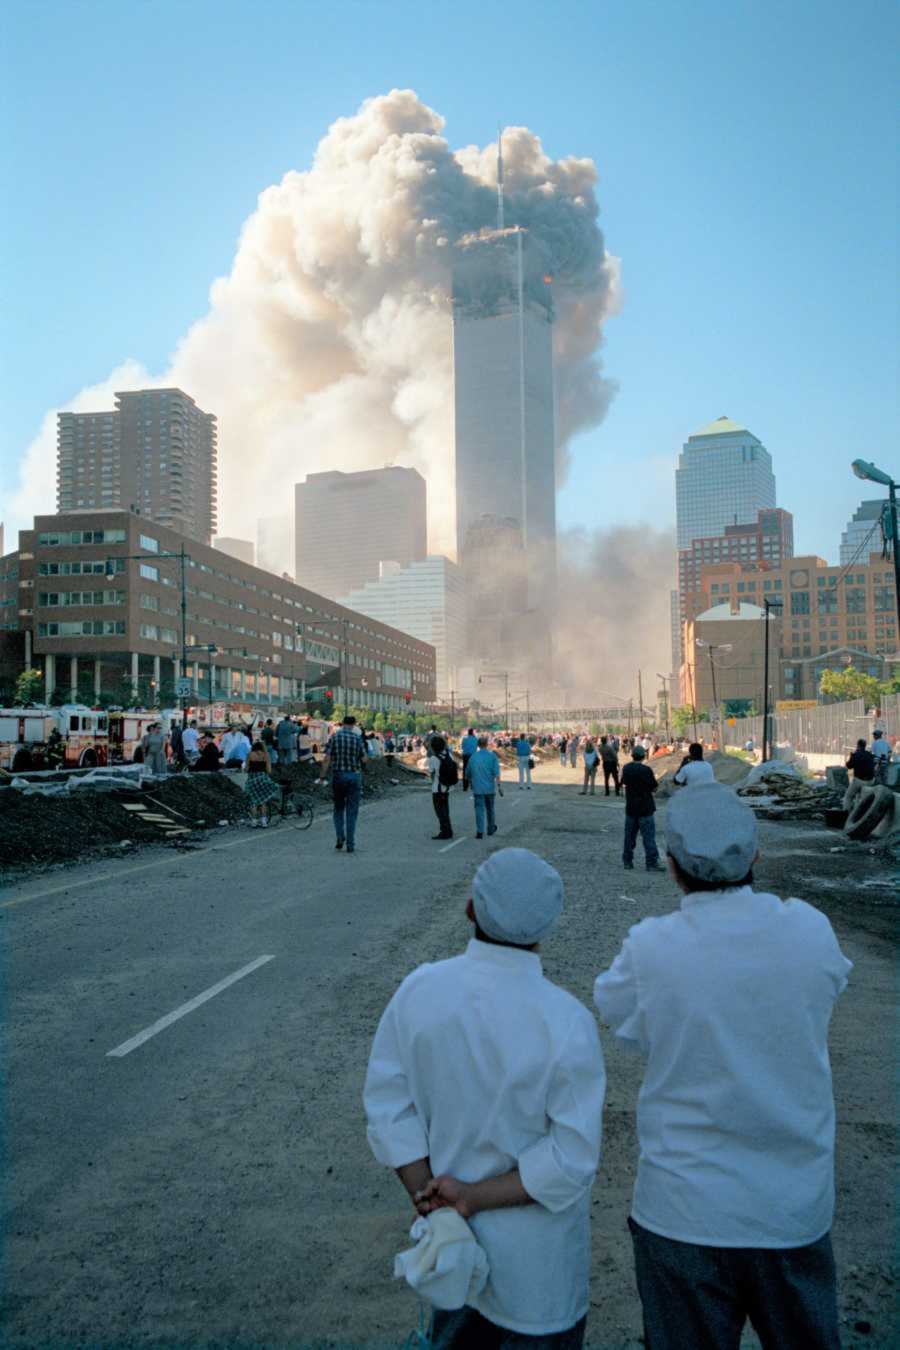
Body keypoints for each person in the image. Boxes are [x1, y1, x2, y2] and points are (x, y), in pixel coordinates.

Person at [594, 783, 851, 1350]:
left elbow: (619, 1016)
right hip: (792, 1211)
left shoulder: (652, 947)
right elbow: (829, 988)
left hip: (682, 1211)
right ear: (757, 855)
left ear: (671, 866)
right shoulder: (810, 930)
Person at [364, 848, 606, 1349]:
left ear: (471, 908)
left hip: (453, 1254)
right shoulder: (565, 1020)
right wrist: (470, 1198)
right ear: (547, 926)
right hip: (539, 1276)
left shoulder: (420, 990)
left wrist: (432, 1197)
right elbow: (571, 1159)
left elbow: (389, 1108)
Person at [321, 714, 366, 853]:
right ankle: (351, 844)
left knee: (338, 808)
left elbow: (327, 758)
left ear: (342, 724)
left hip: (338, 776)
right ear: (353, 725)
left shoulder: (334, 737)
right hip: (353, 777)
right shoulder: (357, 739)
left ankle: (340, 837)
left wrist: (322, 775)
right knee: (352, 812)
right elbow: (364, 759)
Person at [621, 744, 661, 871]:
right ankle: (651, 863)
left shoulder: (626, 768)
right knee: (648, 837)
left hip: (631, 808)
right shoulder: (646, 770)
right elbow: (654, 787)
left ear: (632, 755)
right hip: (645, 808)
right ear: (643, 756)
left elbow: (623, 782)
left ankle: (627, 861)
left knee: (629, 837)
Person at [467, 734, 501, 838]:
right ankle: (490, 828)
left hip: (478, 789)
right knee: (490, 809)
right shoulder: (492, 756)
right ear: (487, 744)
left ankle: (480, 831)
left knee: (479, 810)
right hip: (489, 788)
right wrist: (499, 786)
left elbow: (468, 773)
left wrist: (471, 783)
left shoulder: (473, 757)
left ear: (478, 745)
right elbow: (497, 774)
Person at [244, 739, 281, 826]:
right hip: (262, 778)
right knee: (263, 801)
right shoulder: (266, 755)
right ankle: (264, 822)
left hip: (252, 779)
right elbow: (269, 770)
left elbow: (246, 769)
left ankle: (254, 822)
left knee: (253, 801)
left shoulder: (249, 754)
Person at [426, 734, 456, 840]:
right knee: (445, 810)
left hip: (437, 788)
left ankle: (445, 831)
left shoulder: (433, 758)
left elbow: (431, 773)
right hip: (447, 787)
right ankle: (448, 830)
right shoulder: (449, 755)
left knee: (439, 811)